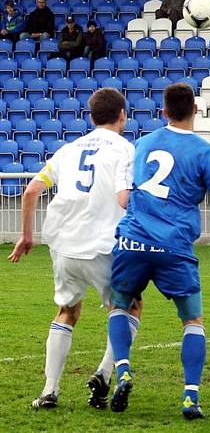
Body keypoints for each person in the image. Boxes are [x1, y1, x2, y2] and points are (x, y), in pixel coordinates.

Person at [106, 83, 210, 419]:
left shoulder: (141, 144)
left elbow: (125, 197)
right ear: (195, 110)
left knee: (119, 306)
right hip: (174, 245)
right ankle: (190, 397)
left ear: (164, 112)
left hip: (134, 240)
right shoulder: (205, 151)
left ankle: (123, 369)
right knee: (192, 321)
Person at [7, 88, 143, 410]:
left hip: (64, 244)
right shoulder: (126, 150)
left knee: (67, 311)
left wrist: (26, 236)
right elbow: (128, 197)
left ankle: (49, 391)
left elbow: (31, 192)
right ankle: (105, 374)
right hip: (104, 244)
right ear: (122, 115)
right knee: (129, 307)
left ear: (91, 116)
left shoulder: (68, 150)